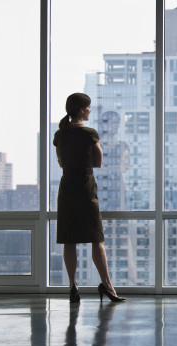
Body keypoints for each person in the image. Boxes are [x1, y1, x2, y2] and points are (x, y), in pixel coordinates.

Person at [53, 92, 125, 303]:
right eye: (89, 107)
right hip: (85, 186)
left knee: (69, 239)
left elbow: (60, 161)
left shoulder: (60, 134)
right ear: (82, 109)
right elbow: (98, 161)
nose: (90, 110)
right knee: (97, 239)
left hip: (67, 187)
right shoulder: (90, 133)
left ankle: (72, 285)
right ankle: (107, 285)